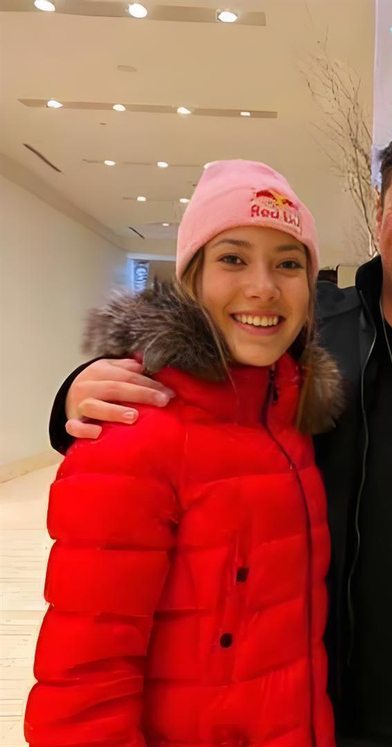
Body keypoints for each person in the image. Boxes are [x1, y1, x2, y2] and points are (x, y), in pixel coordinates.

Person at [48, 125, 392, 747]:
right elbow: (206, 381)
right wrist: (80, 390)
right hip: (324, 720)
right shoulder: (309, 346)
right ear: (380, 212)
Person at [27, 160, 344, 746]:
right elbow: (83, 687)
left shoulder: (293, 423)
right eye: (233, 258)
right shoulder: (130, 432)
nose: (263, 287)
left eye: (288, 263)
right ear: (191, 279)